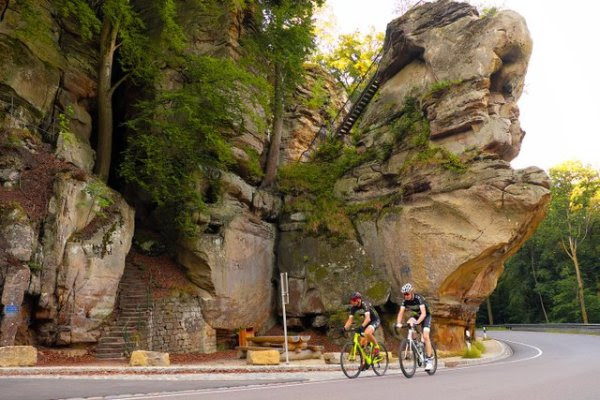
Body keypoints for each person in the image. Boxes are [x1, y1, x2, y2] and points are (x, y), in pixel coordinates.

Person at [395, 283, 434, 371]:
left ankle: (429, 360)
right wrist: (398, 323)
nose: (406, 296)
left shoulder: (418, 298)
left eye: (407, 294)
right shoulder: (404, 301)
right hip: (416, 316)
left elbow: (423, 314)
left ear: (412, 292)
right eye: (404, 294)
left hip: (426, 316)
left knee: (425, 336)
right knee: (409, 323)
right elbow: (401, 312)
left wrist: (417, 323)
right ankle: (417, 344)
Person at [343, 291, 381, 364]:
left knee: (367, 333)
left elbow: (368, 319)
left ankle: (376, 347)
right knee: (362, 343)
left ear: (358, 300)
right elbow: (350, 320)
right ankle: (365, 362)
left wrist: (361, 327)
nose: (352, 302)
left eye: (354, 300)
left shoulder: (365, 304)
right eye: (351, 301)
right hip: (367, 322)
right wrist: (344, 328)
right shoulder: (353, 308)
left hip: (374, 320)